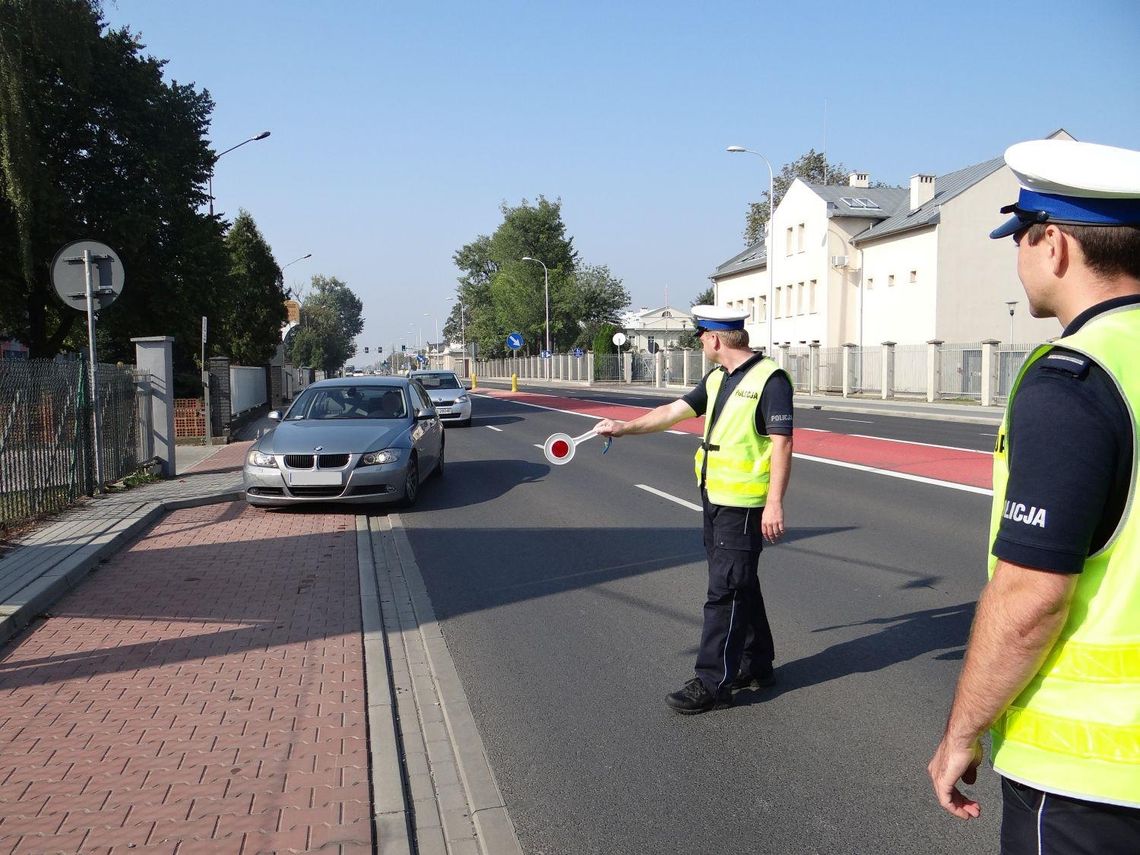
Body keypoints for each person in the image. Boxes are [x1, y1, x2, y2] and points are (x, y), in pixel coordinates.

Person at [928, 139, 1140, 852]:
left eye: (1019, 235)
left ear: (1053, 245)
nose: (1017, 254)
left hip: (1091, 782)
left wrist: (962, 730)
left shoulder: (1076, 378)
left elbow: (1031, 596)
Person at [593, 306, 794, 714]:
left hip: (744, 505)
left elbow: (782, 444)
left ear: (717, 339)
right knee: (741, 584)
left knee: (725, 591)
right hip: (715, 498)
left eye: (701, 335)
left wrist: (774, 502)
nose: (700, 342)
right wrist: (622, 427)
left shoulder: (770, 380)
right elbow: (671, 412)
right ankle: (756, 664)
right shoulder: (718, 378)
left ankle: (712, 682)